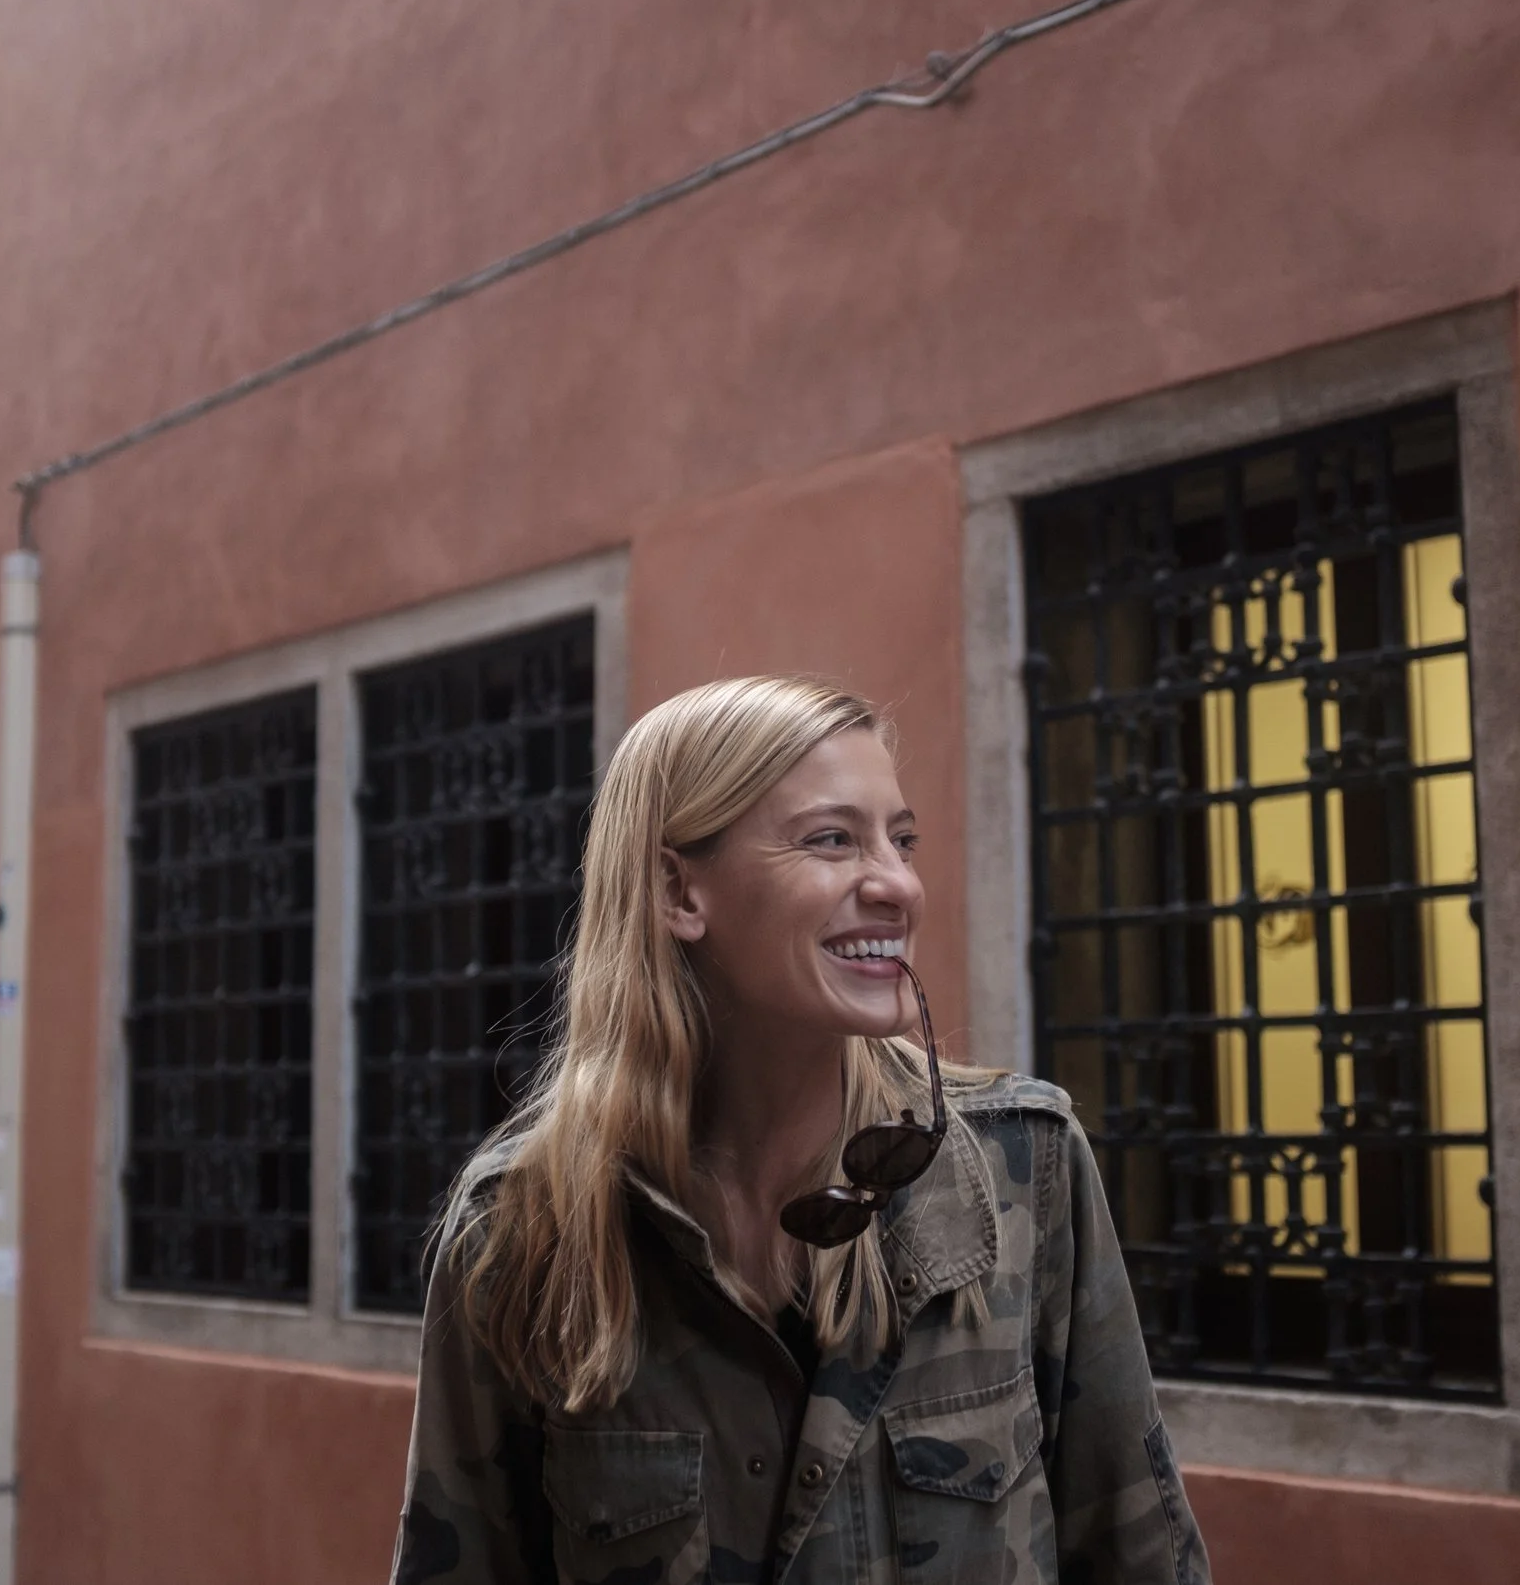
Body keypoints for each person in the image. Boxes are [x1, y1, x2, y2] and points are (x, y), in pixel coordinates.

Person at [393, 676, 1205, 1583]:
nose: (898, 884)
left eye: (901, 840)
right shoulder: (521, 1224)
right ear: (677, 889)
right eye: (832, 839)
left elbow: (1142, 1555)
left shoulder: (1025, 1166)